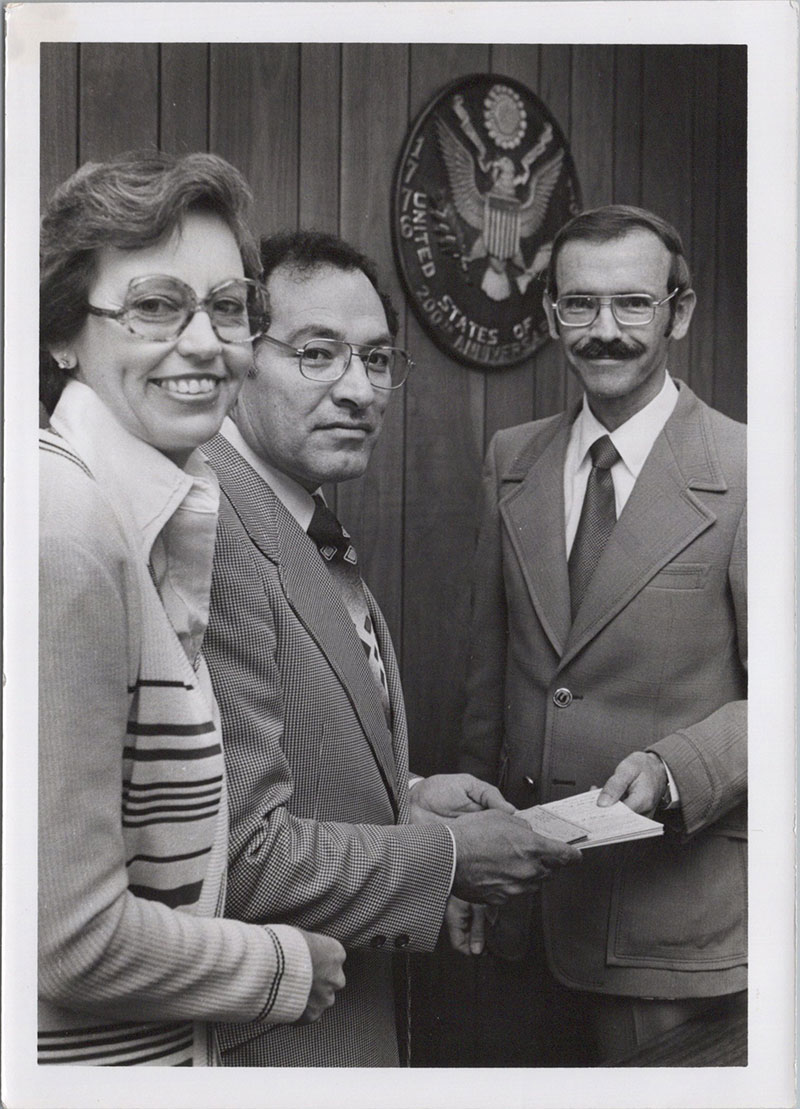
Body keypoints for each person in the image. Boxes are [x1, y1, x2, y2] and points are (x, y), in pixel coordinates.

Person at [201, 229, 581, 1067]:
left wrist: (404, 794)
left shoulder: (299, 516)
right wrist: (447, 856)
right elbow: (238, 857)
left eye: (377, 360)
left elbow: (284, 753)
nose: (358, 389)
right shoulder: (217, 529)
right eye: (318, 354)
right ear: (237, 357)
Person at [38, 153, 347, 1067]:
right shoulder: (66, 530)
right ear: (63, 333)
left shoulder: (151, 511)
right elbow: (66, 938)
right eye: (156, 306)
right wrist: (284, 963)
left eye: (228, 307)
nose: (206, 342)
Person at [460, 204, 747, 1065]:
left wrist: (674, 769)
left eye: (634, 304)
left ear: (680, 313)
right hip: (524, 913)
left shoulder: (751, 471)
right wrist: (464, 858)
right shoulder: (513, 456)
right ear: (552, 317)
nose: (606, 330)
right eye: (581, 306)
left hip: (671, 933)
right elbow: (489, 679)